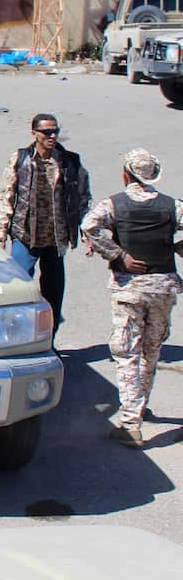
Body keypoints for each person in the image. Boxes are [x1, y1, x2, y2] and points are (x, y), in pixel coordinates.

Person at [80, 149, 183, 448]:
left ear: (126, 173)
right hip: (163, 287)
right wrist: (176, 249)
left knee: (127, 352)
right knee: (151, 351)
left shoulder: (114, 204)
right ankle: (139, 406)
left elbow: (90, 227)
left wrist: (118, 255)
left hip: (130, 288)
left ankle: (130, 423)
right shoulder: (171, 206)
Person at [0, 113, 92, 331]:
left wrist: (85, 231)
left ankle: (48, 339)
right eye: (46, 132)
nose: (52, 136)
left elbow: (82, 198)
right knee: (17, 290)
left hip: (55, 241)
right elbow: (5, 194)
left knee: (53, 295)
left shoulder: (70, 162)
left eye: (55, 131)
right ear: (34, 133)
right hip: (25, 237)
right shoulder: (21, 159)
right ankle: (13, 333)